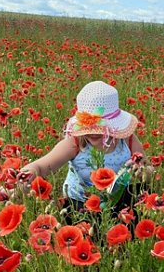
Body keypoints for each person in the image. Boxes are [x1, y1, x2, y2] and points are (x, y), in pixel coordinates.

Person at [17, 81, 152, 222]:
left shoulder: (127, 140)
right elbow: (41, 166)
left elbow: (147, 167)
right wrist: (28, 173)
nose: (93, 133)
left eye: (100, 129)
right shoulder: (74, 144)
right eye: (88, 128)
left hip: (120, 201)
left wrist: (143, 171)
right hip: (81, 206)